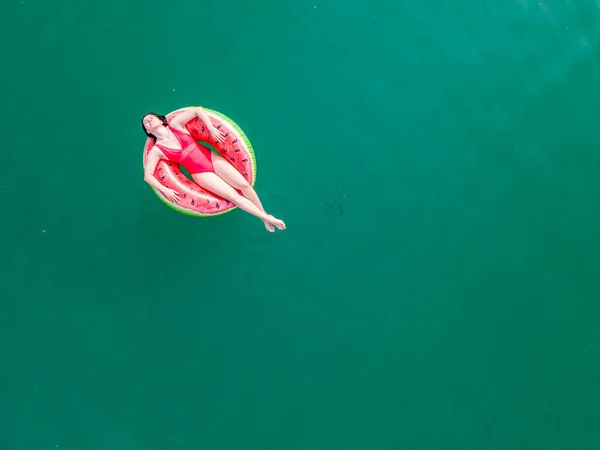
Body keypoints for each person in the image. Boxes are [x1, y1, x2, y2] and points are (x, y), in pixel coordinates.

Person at [142, 107, 286, 232]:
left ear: (161, 120)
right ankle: (266, 218)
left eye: (150, 118)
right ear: (148, 131)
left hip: (212, 158)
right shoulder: (157, 150)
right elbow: (147, 176)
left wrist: (210, 127)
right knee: (234, 197)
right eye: (146, 123)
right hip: (201, 174)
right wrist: (165, 190)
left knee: (243, 185)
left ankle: (265, 217)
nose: (148, 121)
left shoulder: (175, 125)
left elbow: (197, 109)